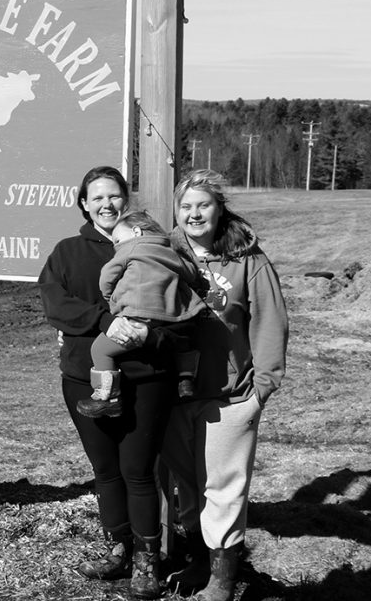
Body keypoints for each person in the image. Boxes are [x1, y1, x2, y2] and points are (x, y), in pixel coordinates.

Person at [38, 166, 177, 599]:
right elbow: (56, 304)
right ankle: (118, 546)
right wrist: (107, 321)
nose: (106, 204)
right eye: (96, 197)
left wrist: (148, 335)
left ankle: (146, 561)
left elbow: (179, 309)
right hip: (84, 379)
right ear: (83, 204)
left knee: (138, 471)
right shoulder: (67, 253)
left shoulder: (154, 249)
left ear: (126, 200)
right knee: (105, 471)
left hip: (146, 377)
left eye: (114, 196)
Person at [161, 169, 289, 601]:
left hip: (231, 397)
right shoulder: (162, 254)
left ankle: (223, 578)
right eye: (186, 206)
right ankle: (198, 560)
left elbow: (270, 320)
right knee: (187, 485)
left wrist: (262, 388)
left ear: (219, 209)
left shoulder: (248, 259)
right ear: (175, 213)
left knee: (224, 490)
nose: (194, 214)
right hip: (174, 396)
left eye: (203, 205)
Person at [80, 209, 205, 419]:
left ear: (136, 231)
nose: (116, 245)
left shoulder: (131, 247)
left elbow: (106, 276)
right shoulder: (170, 250)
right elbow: (191, 273)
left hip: (138, 313)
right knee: (183, 345)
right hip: (170, 318)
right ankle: (186, 380)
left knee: (101, 349)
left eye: (117, 239)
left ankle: (107, 398)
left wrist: (111, 297)